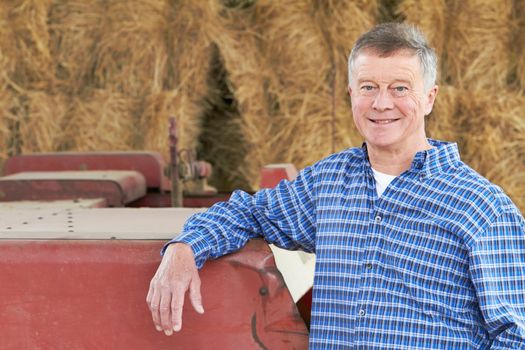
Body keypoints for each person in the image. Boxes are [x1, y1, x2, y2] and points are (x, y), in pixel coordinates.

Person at [147, 22, 525, 348]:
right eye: (368, 87)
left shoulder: (481, 207)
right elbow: (247, 212)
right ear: (351, 95)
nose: (381, 103)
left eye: (399, 88)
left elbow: (516, 334)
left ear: (429, 98)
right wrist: (184, 248)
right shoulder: (329, 182)